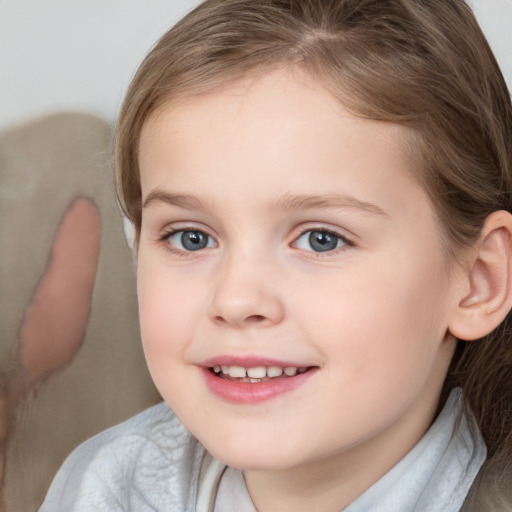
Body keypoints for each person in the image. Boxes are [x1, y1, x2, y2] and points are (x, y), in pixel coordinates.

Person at [39, 0, 512, 510]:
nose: (237, 300)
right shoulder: (103, 486)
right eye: (190, 237)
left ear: (478, 281)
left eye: (321, 239)